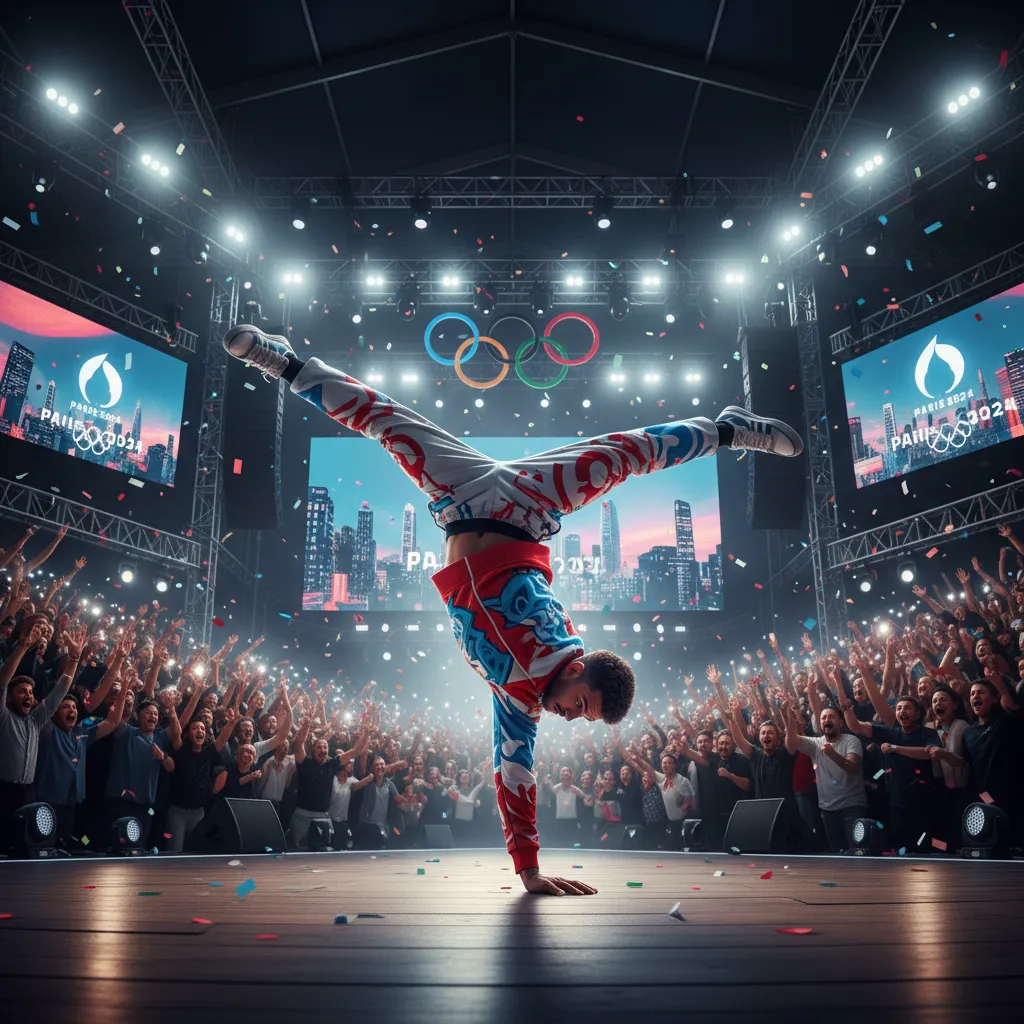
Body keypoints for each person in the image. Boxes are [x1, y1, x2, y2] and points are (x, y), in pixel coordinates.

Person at [222, 323, 803, 894]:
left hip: (458, 502)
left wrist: (529, 874)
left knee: (389, 428)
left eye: (582, 717)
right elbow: (543, 712)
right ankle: (728, 431)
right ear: (578, 670)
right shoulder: (557, 649)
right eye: (583, 707)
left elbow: (514, 777)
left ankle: (726, 431)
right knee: (622, 455)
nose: (574, 719)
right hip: (525, 501)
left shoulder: (518, 701)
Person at [784, 704, 866, 853]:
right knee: (838, 853)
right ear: (820, 723)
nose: (827, 720)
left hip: (852, 807)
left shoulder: (851, 741)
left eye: (832, 717)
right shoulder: (816, 743)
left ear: (840, 722)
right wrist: (789, 720)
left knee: (858, 851)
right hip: (828, 810)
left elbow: (852, 766)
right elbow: (791, 743)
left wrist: (832, 754)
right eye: (824, 718)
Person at [164, 706, 236, 852]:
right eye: (195, 728)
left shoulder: (209, 753)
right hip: (178, 812)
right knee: (174, 851)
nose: (200, 731)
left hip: (198, 813)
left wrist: (233, 721)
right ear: (189, 733)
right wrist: (172, 710)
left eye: (202, 729)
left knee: (195, 853)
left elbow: (223, 737)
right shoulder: (181, 750)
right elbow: (175, 733)